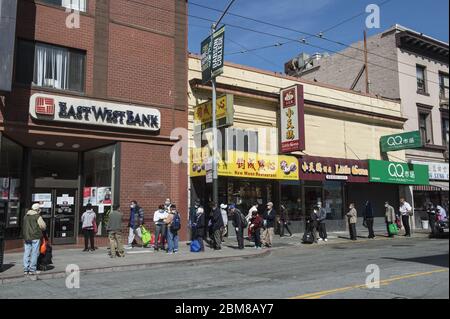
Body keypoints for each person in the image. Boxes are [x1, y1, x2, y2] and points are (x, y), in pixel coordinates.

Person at [22, 203, 46, 276]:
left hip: (26, 236)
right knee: (34, 253)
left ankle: (26, 269)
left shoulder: (26, 216)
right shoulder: (37, 216)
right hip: (35, 236)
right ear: (38, 209)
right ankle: (32, 269)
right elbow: (43, 226)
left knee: (27, 252)